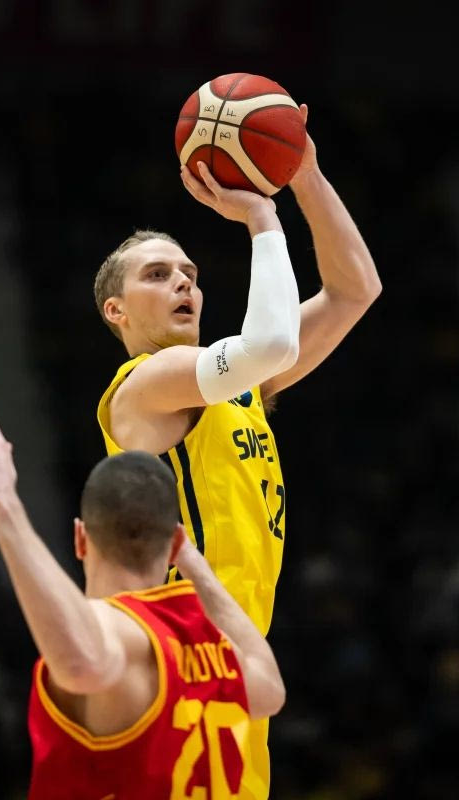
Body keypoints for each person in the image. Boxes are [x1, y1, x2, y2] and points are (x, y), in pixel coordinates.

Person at [94, 106, 380, 795]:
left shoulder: (240, 389)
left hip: (236, 660)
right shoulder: (142, 385)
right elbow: (270, 343)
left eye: (189, 272)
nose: (183, 282)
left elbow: (355, 290)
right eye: (157, 274)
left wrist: (305, 174)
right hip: (174, 660)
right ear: (116, 311)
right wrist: (261, 217)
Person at [0, 400, 285, 798]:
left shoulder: (117, 630)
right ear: (174, 543)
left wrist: (3, 505)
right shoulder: (207, 642)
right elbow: (270, 688)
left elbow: (82, 663)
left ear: (80, 539)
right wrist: (193, 562)